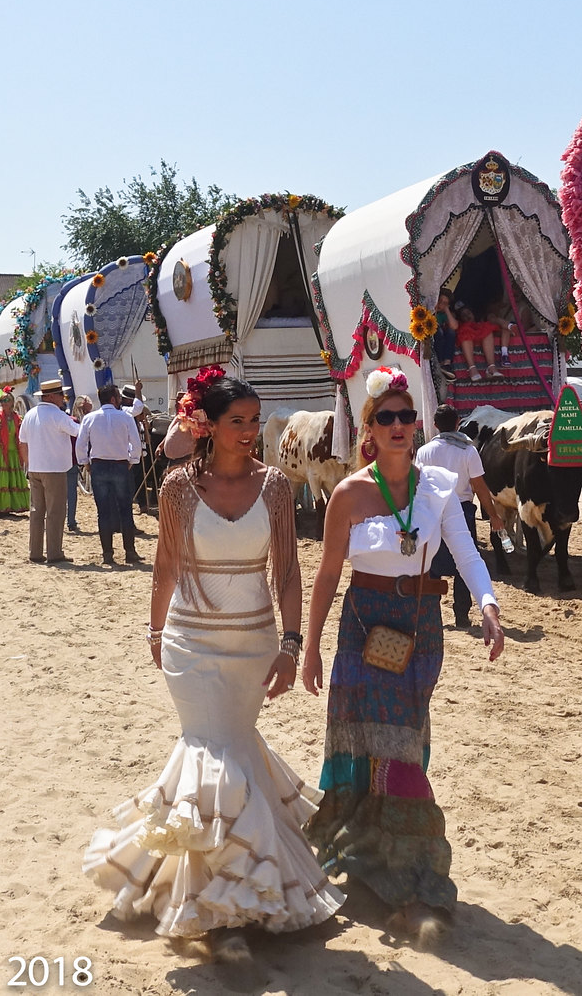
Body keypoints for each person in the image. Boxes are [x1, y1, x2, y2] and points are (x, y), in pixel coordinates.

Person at [83, 368, 342, 958]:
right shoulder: (177, 486)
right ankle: (223, 911)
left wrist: (291, 643)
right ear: (209, 426)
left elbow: (288, 570)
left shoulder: (276, 486)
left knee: (230, 749)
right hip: (190, 642)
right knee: (213, 749)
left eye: (254, 421)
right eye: (237, 422)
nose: (249, 432)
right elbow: (166, 565)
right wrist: (154, 630)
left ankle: (216, 886)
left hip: (251, 645)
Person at [301, 366, 503, 941]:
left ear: (417, 425)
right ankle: (403, 875)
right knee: (373, 743)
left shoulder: (439, 485)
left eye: (405, 416)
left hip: (421, 627)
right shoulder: (348, 493)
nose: (398, 425)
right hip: (363, 625)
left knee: (402, 746)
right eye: (385, 417)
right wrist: (309, 645)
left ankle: (402, 867)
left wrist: (487, 605)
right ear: (368, 428)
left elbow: (465, 552)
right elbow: (327, 575)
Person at [415, 404, 505, 628]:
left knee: (431, 564)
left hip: (432, 512)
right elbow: (480, 487)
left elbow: (417, 486)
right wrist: (493, 515)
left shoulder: (424, 451)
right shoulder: (468, 450)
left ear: (435, 425)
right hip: (462, 511)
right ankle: (461, 615)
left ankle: (433, 613)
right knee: (464, 563)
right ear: (458, 424)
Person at [79, 383, 142, 565]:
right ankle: (130, 552)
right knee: (125, 509)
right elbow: (135, 443)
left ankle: (108, 554)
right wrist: (132, 460)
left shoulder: (90, 418)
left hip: (99, 466)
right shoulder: (125, 417)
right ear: (114, 399)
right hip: (120, 465)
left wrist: (85, 463)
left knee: (103, 512)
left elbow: (81, 444)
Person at [21, 379, 82, 564]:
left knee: (37, 511)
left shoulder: (30, 414)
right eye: (60, 395)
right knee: (55, 512)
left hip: (35, 468)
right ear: (52, 396)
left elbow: (22, 442)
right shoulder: (58, 415)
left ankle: (36, 552)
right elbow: (78, 431)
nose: (63, 398)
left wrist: (29, 463)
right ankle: (54, 552)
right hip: (54, 468)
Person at [0, 392, 30, 514]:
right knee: (0, 479)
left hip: (13, 451)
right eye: (2, 401)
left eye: (7, 400)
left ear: (12, 402)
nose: (4, 403)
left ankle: (12, 505)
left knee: (11, 479)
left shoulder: (17, 418)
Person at [65, 395, 91, 534]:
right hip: (71, 462)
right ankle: (71, 521)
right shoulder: (74, 422)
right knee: (71, 493)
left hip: (56, 463)